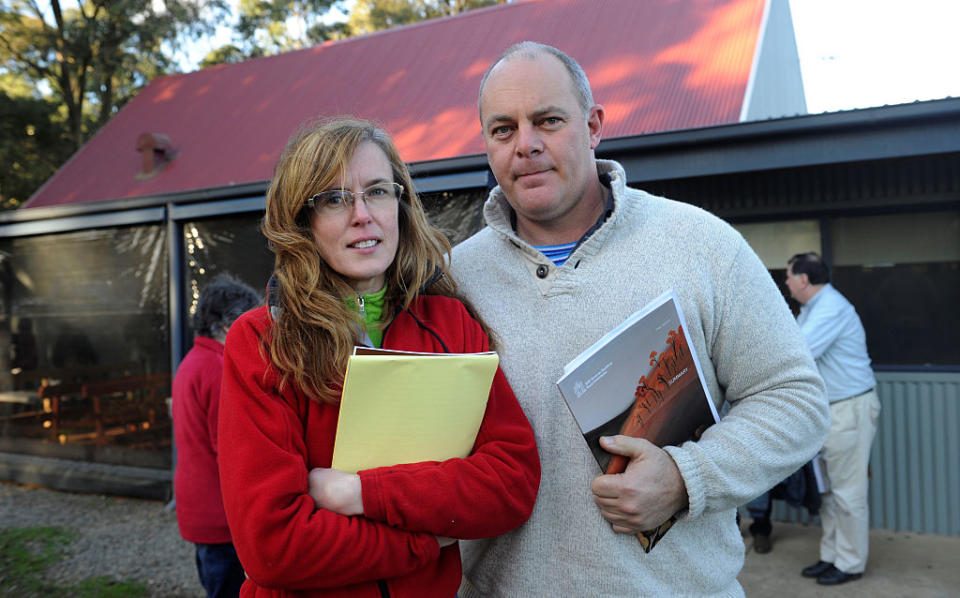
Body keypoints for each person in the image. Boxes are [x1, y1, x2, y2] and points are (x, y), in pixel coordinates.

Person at [450, 41, 829, 596]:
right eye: (503, 129)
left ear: (594, 125)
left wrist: (685, 477)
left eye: (548, 120)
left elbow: (795, 399)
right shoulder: (455, 277)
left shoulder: (702, 245)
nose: (525, 145)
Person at [216, 117, 540, 597]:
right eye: (333, 199)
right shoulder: (263, 341)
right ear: (300, 222)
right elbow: (274, 547)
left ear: (400, 205)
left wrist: (360, 494)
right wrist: (430, 538)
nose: (362, 215)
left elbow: (511, 483)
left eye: (377, 192)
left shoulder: (451, 323)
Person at [786, 251, 881, 586]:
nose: (786, 283)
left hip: (848, 408)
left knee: (848, 493)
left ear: (803, 280)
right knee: (827, 492)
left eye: (788, 277)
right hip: (830, 411)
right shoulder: (812, 309)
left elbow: (799, 353)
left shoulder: (830, 308)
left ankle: (850, 563)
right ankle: (832, 556)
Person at [172, 272, 261, 598]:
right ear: (226, 326)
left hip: (200, 508)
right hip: (221, 515)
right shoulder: (220, 369)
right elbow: (233, 449)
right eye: (247, 322)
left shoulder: (194, 361)